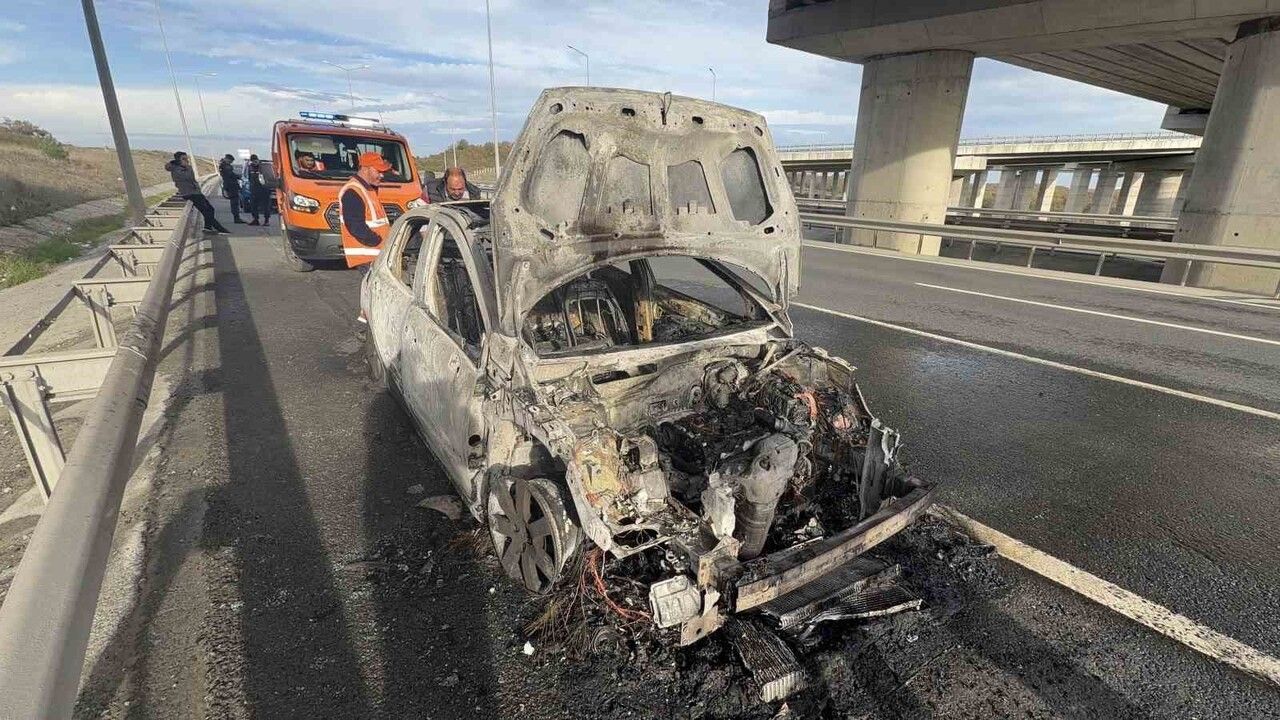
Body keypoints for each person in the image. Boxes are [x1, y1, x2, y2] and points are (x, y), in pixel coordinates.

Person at [338, 151, 393, 268]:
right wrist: (377, 241)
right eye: (378, 171)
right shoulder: (353, 191)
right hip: (367, 257)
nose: (382, 175)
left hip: (376, 255)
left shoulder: (368, 189)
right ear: (365, 169)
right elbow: (356, 227)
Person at [165, 151, 229, 234]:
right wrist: (187, 167)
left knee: (210, 209)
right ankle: (219, 228)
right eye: (184, 159)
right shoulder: (176, 169)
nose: (186, 160)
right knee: (206, 211)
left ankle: (208, 227)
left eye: (186, 158)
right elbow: (187, 177)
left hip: (195, 192)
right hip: (189, 193)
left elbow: (191, 177)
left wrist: (187, 167)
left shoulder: (185, 167)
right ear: (178, 160)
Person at [246, 154, 274, 226]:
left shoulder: (264, 167)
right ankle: (255, 219)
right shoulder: (250, 167)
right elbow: (249, 178)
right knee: (253, 205)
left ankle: (266, 221)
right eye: (253, 161)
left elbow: (269, 177)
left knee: (266, 206)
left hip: (264, 189)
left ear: (258, 160)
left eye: (255, 161)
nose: (254, 162)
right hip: (254, 190)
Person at [217, 154, 245, 223]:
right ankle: (236, 218)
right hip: (231, 186)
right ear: (227, 159)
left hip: (231, 185)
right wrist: (238, 177)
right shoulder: (225, 166)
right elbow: (229, 176)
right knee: (234, 202)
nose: (231, 162)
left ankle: (237, 217)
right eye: (230, 161)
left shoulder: (224, 165)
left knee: (235, 202)